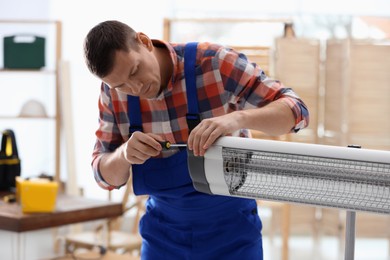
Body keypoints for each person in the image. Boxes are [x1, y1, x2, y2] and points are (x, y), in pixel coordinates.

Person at [84, 20, 309, 259]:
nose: (136, 87)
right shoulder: (111, 93)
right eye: (122, 85)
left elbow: (297, 112)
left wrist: (237, 119)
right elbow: (103, 176)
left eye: (134, 70)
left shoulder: (214, 63)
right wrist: (124, 154)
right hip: (163, 238)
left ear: (144, 42)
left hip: (233, 233)